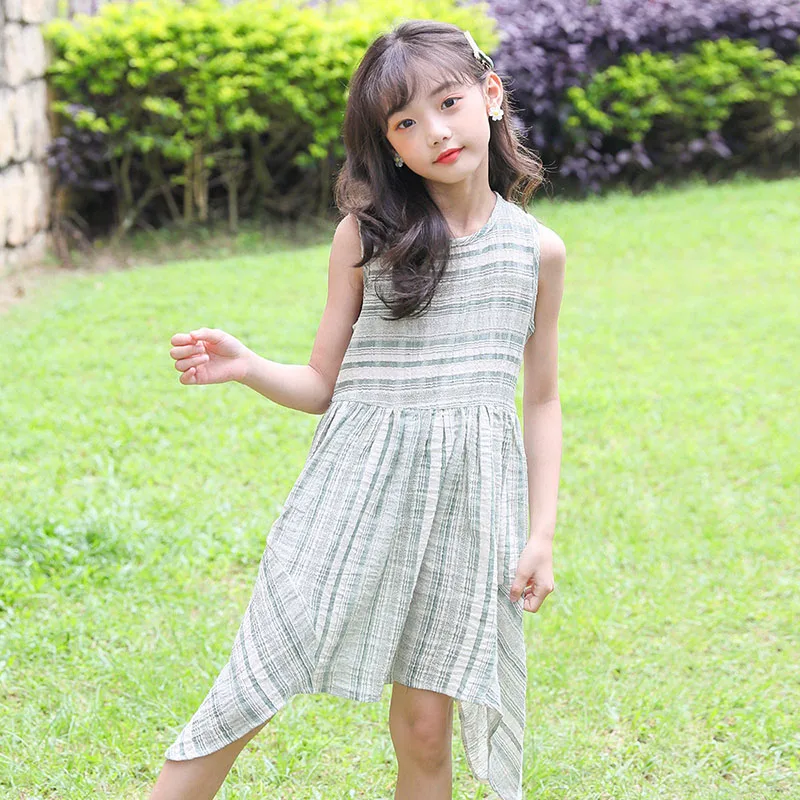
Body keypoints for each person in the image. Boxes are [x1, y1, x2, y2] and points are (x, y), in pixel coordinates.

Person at [150, 18, 566, 800]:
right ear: (389, 146)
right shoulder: (368, 236)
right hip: (353, 492)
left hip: (467, 511)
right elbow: (321, 385)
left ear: (491, 94)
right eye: (404, 122)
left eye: (448, 103)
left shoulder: (537, 251)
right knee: (251, 684)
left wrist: (539, 534)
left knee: (426, 731)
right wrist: (247, 367)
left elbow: (540, 400)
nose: (433, 131)